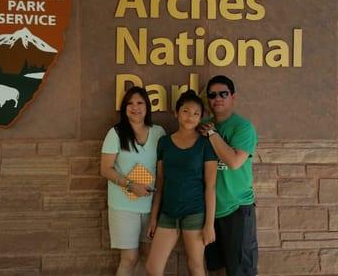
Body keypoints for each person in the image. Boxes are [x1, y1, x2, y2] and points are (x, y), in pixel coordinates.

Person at [146, 90, 218, 276]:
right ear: (176, 112)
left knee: (195, 266)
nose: (190, 117)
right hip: (168, 214)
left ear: (201, 117)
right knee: (152, 268)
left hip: (195, 213)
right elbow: (160, 183)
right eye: (186, 111)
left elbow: (210, 186)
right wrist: (154, 218)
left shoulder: (205, 143)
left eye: (196, 114)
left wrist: (209, 224)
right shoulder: (164, 143)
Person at [100, 86, 166, 276]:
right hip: (123, 206)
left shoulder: (159, 132)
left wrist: (155, 214)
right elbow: (105, 169)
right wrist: (130, 185)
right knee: (129, 259)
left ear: (147, 106)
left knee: (151, 258)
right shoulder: (116, 133)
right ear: (124, 107)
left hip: (150, 206)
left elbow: (161, 175)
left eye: (139, 102)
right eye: (130, 103)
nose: (135, 107)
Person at [198, 75, 259, 276]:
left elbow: (234, 162)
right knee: (215, 269)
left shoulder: (243, 127)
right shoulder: (202, 125)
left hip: (237, 209)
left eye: (223, 93)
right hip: (210, 210)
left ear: (233, 96)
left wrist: (213, 135)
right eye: (212, 95)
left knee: (241, 271)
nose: (218, 98)